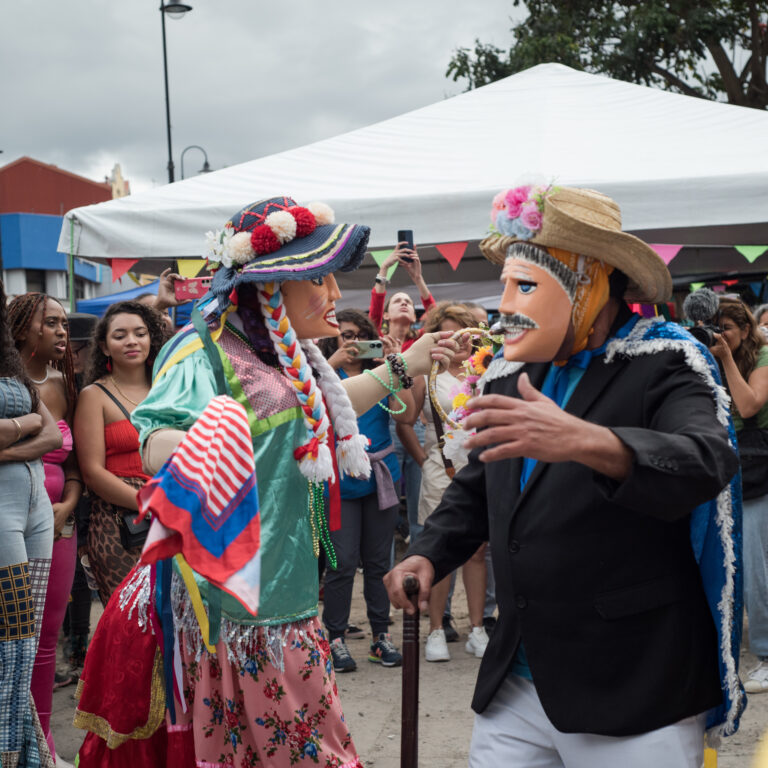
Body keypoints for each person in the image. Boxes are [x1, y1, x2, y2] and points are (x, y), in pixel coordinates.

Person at [73, 196, 456, 767]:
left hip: (283, 583)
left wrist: (406, 363)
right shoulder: (202, 347)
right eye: (319, 279)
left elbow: (317, 412)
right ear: (270, 286)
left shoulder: (285, 353)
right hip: (228, 603)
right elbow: (156, 440)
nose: (333, 294)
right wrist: (205, 444)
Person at [386, 186, 745, 767]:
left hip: (631, 688)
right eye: (505, 284)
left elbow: (705, 462)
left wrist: (589, 441)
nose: (504, 305)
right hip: (516, 683)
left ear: (589, 285)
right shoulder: (508, 371)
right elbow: (479, 484)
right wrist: (428, 553)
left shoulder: (666, 363)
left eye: (523, 285)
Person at [318, 309, 415, 672]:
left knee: (379, 564)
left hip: (381, 477)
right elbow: (309, 408)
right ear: (334, 338)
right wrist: (331, 362)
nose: (354, 341)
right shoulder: (325, 371)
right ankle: (335, 639)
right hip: (339, 481)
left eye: (361, 335)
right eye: (346, 335)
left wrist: (397, 364)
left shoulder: (381, 373)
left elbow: (406, 417)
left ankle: (380, 637)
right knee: (341, 564)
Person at [8, 291, 83, 760]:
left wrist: (68, 505)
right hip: (12, 520)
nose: (61, 330)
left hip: (60, 526)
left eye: (62, 322)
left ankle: (44, 745)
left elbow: (73, 462)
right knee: (16, 635)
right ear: (20, 328)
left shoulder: (64, 384)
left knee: (46, 641)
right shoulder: (7, 387)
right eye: (50, 322)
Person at [404, 302, 489, 662]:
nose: (461, 343)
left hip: (477, 468)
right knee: (436, 551)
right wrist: (424, 461)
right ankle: (435, 630)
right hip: (439, 470)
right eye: (452, 335)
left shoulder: (484, 370)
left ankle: (478, 629)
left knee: (477, 551)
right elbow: (406, 420)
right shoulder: (429, 374)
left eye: (466, 334)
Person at [0, 280, 61, 767]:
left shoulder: (12, 367)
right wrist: (27, 427)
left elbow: (50, 435)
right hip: (3, 510)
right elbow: (37, 427)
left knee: (28, 641)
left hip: (36, 506)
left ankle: (27, 753)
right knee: (11, 638)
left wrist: (8, 440)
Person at [74, 300, 167, 606]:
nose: (131, 341)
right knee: (131, 621)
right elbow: (92, 472)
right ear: (103, 346)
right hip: (121, 523)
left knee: (174, 619)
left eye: (140, 333)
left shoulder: (169, 388)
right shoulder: (94, 396)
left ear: (151, 338)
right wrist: (150, 503)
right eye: (120, 335)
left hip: (175, 512)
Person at [710, 297, 768, 693]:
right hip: (723, 466)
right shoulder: (704, 354)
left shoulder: (763, 355)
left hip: (759, 467)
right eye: (714, 329)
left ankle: (765, 654)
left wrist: (725, 358)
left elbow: (748, 406)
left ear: (745, 330)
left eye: (726, 329)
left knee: (755, 568)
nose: (719, 336)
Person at [62, 312, 98, 671]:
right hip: (69, 491)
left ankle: (79, 653)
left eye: (75, 346)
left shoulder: (93, 385)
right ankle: (76, 652)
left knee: (82, 578)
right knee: (75, 577)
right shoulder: (63, 385)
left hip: (91, 492)